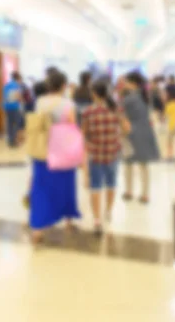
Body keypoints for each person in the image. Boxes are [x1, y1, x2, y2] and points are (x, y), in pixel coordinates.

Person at [30, 71, 81, 244]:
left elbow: (39, 124)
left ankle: (37, 230)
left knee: (41, 188)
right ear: (63, 86)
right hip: (62, 150)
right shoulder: (68, 103)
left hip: (42, 150)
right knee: (66, 185)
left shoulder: (39, 102)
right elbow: (72, 126)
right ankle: (68, 222)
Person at [81, 81, 125, 236]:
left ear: (94, 93)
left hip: (96, 155)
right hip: (113, 152)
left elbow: (83, 135)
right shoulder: (116, 109)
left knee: (96, 187)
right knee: (112, 184)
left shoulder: (88, 112)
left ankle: (97, 220)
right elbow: (127, 128)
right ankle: (108, 211)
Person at [121, 71, 160, 204]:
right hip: (145, 131)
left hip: (131, 132)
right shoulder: (145, 96)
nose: (124, 84)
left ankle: (129, 191)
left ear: (132, 83)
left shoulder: (128, 99)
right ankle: (145, 194)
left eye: (126, 81)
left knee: (128, 163)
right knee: (144, 164)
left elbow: (121, 115)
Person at [22, 81, 49, 210]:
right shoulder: (46, 106)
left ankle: (30, 195)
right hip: (46, 142)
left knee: (34, 171)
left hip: (33, 142)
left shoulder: (30, 104)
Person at [3, 72, 24, 147]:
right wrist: (21, 101)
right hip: (15, 106)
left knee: (9, 123)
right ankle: (14, 141)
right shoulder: (16, 85)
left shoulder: (6, 85)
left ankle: (10, 140)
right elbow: (18, 96)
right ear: (18, 78)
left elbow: (5, 96)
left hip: (7, 107)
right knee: (16, 124)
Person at [164, 84, 175, 161]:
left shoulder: (169, 104)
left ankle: (169, 155)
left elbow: (166, 114)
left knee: (169, 141)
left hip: (171, 126)